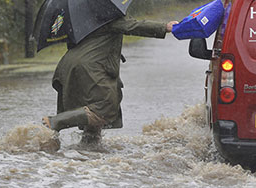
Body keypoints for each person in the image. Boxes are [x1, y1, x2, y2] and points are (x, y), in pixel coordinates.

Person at [41, 16, 178, 145]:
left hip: (69, 65)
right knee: (104, 107)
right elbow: (133, 26)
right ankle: (54, 122)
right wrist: (165, 27)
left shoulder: (80, 17)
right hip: (90, 67)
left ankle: (88, 149)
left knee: (92, 108)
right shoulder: (107, 14)